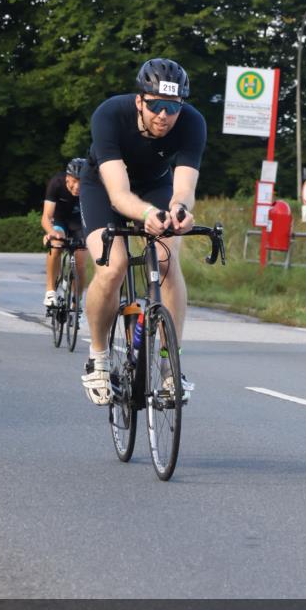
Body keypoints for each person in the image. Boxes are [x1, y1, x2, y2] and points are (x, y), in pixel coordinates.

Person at [79, 57, 207, 405]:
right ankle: (98, 358)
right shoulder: (110, 115)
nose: (164, 115)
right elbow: (119, 194)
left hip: (154, 185)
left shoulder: (192, 122)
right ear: (139, 101)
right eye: (155, 106)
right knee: (113, 266)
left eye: (173, 107)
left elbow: (184, 187)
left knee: (167, 260)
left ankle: (169, 365)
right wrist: (147, 213)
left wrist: (180, 210)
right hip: (104, 187)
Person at [41, 158, 88, 309]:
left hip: (79, 223)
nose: (77, 186)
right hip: (59, 221)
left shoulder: (92, 186)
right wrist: (51, 232)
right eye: (74, 181)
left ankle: (77, 299)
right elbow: (46, 217)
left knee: (81, 260)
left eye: (81, 181)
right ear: (67, 178)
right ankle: (50, 291)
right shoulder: (56, 183)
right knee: (56, 246)